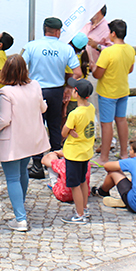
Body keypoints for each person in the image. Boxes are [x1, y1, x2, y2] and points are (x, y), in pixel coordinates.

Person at [0, 55, 51, 232]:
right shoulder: (35, 86)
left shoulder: (6, 93)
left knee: (12, 177)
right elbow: (43, 108)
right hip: (31, 139)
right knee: (22, 173)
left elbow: (3, 120)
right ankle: (20, 205)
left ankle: (20, 218)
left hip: (12, 141)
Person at [22, 17, 82, 178]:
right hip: (56, 91)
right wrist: (69, 87)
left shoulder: (32, 46)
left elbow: (20, 66)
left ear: (44, 29)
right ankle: (56, 162)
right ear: (57, 31)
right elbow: (78, 73)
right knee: (55, 126)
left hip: (37, 90)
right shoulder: (66, 49)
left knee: (37, 126)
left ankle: (36, 164)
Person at [93, 19, 136, 164]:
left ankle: (104, 157)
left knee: (106, 124)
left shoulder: (108, 52)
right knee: (121, 121)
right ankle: (124, 153)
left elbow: (98, 74)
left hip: (107, 92)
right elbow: (130, 69)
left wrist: (93, 67)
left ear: (112, 33)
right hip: (123, 90)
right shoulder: (130, 49)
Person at [91, 136, 136, 214]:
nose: (129, 151)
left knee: (113, 172)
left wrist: (120, 170)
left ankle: (102, 191)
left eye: (131, 149)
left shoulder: (132, 162)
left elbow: (107, 166)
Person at [61, 78, 96, 224]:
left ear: (76, 93)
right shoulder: (91, 108)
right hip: (86, 152)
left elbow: (63, 132)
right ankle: (85, 208)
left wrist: (69, 132)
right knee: (83, 182)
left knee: (74, 185)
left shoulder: (74, 114)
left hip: (74, 154)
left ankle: (79, 214)